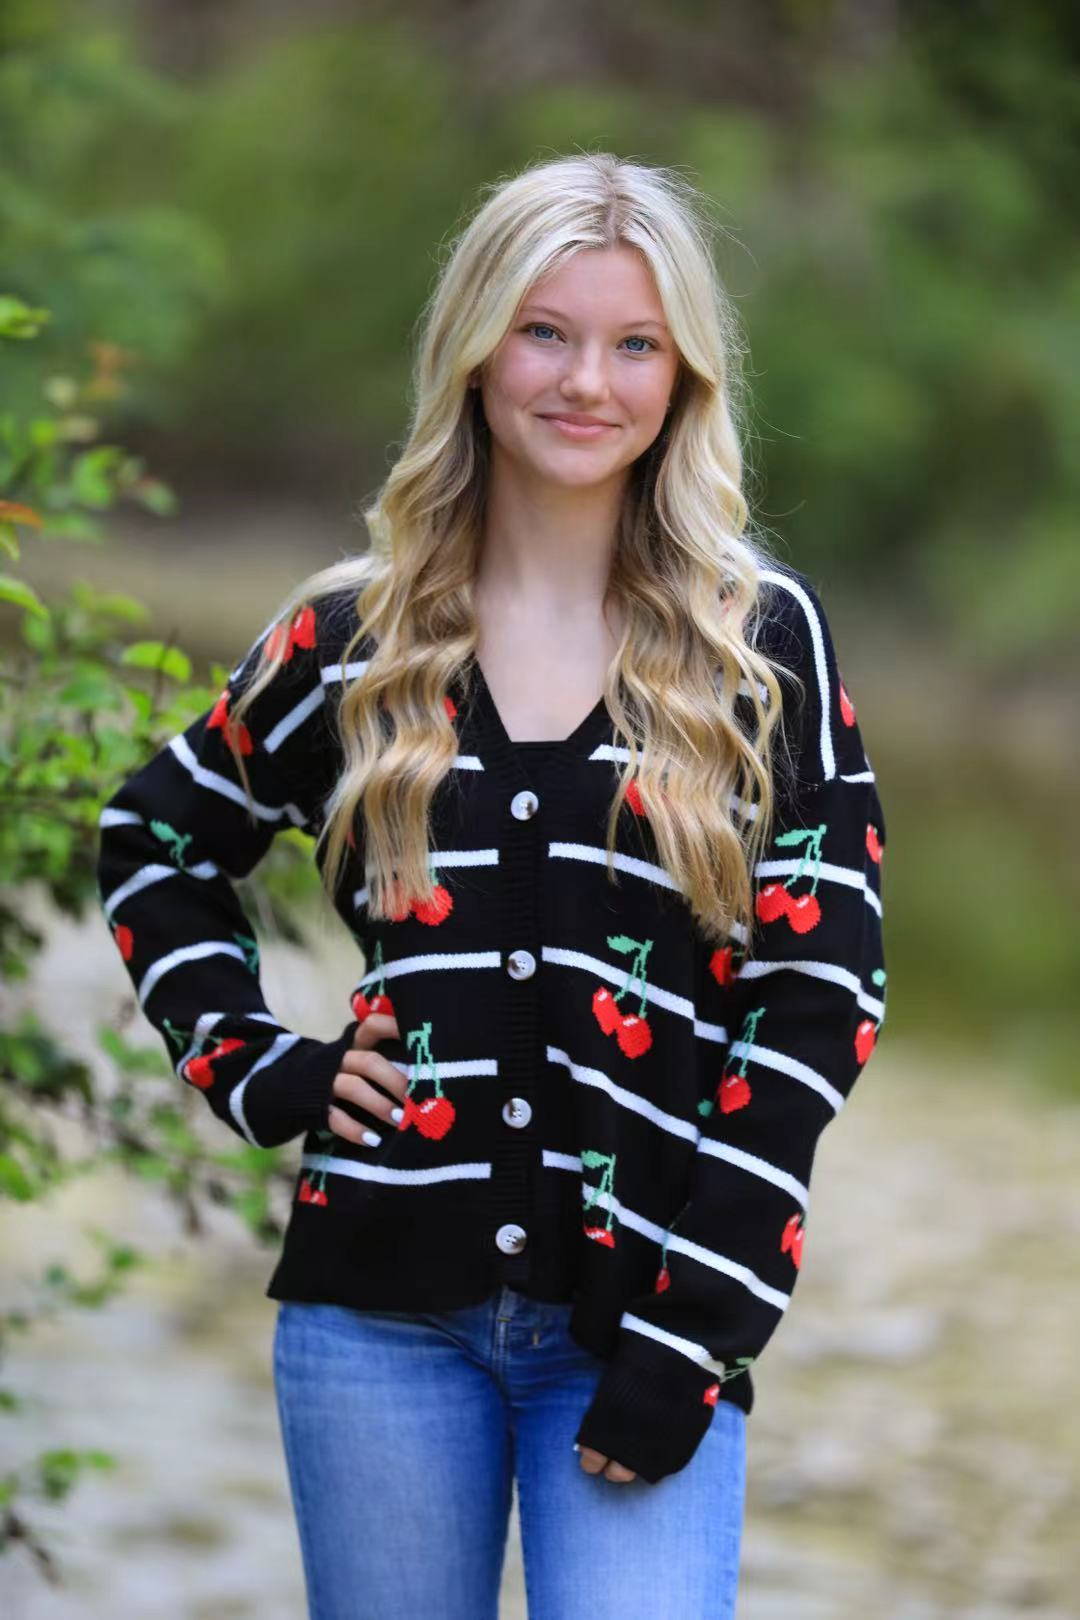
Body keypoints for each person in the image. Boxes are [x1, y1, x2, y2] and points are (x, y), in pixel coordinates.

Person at [96, 151, 887, 1619]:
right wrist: (260, 1065)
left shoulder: (760, 644)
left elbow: (819, 1000)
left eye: (635, 343)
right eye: (545, 332)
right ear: (475, 349)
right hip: (377, 1322)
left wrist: (700, 1330)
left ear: (683, 377)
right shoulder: (354, 639)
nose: (587, 381)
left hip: (643, 1318)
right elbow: (156, 840)